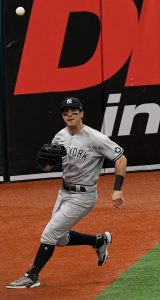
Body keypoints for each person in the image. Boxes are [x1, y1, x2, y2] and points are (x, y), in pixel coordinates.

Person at [6, 97, 127, 288]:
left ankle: (32, 276)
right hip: (64, 192)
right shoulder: (60, 136)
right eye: (65, 112)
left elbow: (121, 159)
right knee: (60, 239)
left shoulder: (95, 138)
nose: (69, 114)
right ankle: (99, 241)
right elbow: (48, 166)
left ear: (82, 113)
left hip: (83, 196)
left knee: (49, 234)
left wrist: (117, 190)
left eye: (74, 111)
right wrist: (44, 162)